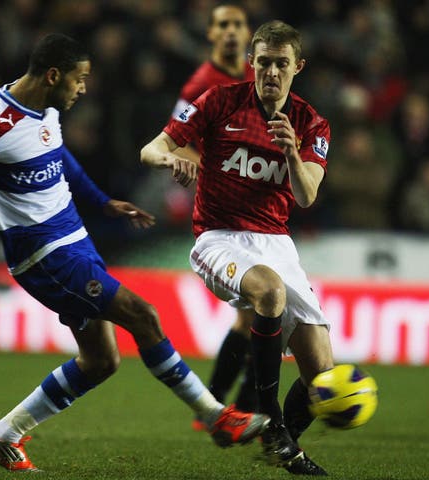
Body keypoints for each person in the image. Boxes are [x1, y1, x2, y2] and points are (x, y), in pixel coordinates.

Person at [0, 33, 270, 473]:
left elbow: (60, 158)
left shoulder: (47, 109)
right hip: (44, 256)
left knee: (100, 362)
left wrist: (102, 202)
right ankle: (215, 416)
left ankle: (2, 435)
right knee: (143, 315)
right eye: (79, 80)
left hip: (76, 242)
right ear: (54, 75)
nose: (83, 89)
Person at [141, 20, 333, 476]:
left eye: (281, 64)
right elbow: (151, 148)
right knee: (268, 293)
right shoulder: (220, 101)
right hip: (218, 236)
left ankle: (282, 445)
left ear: (297, 67)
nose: (271, 72)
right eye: (263, 62)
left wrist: (290, 152)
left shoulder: (311, 124)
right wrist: (170, 158)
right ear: (251, 62)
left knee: (323, 379)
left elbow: (307, 196)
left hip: (277, 243)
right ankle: (270, 419)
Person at [170, 3, 260, 431]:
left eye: (237, 25)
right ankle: (232, 408)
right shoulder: (201, 84)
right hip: (225, 211)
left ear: (248, 34)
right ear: (210, 34)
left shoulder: (259, 77)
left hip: (260, 206)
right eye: (222, 25)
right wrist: (217, 168)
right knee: (257, 312)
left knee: (252, 315)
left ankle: (218, 407)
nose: (230, 32)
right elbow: (177, 140)